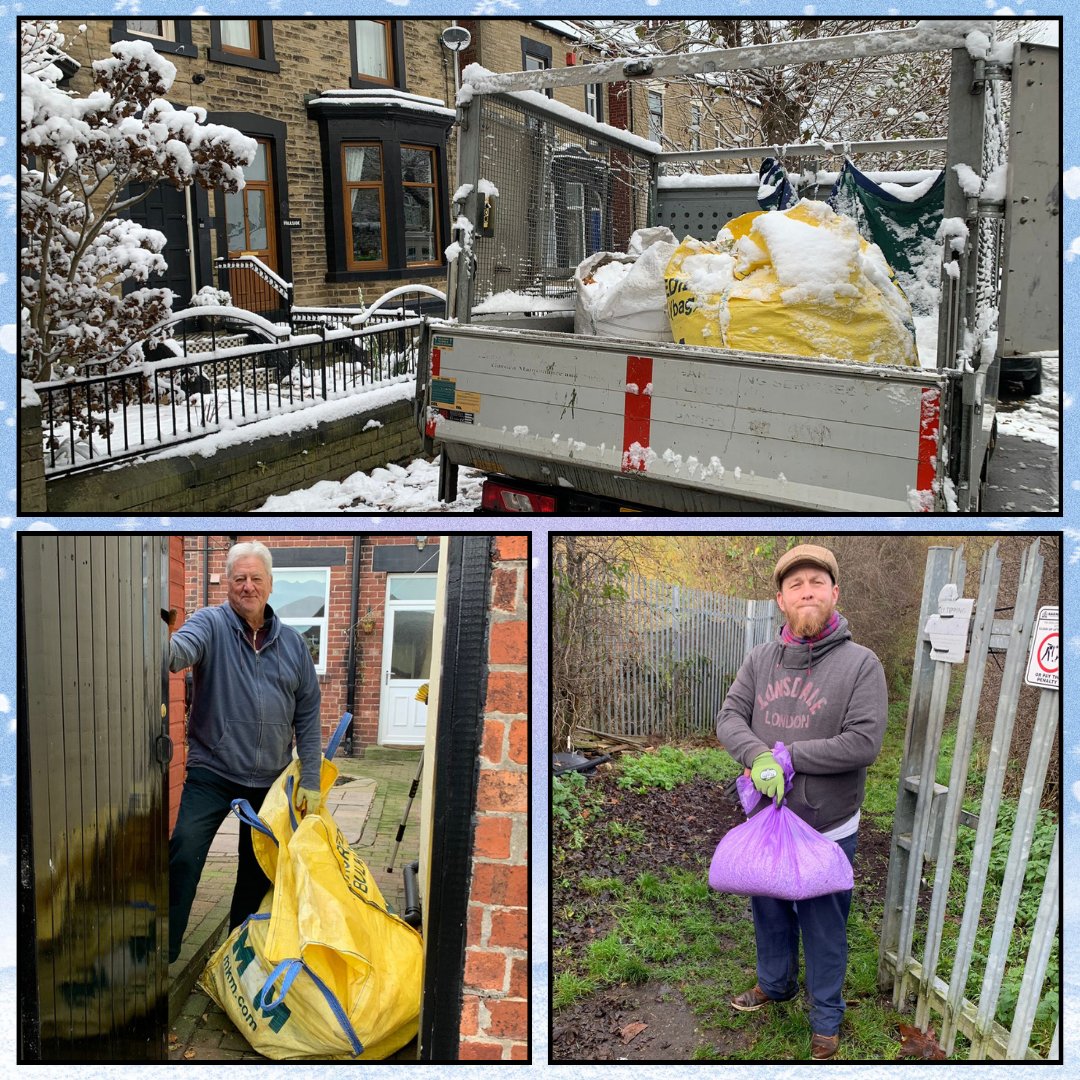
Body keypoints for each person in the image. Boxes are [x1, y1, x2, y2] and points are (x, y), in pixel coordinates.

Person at [715, 543, 887, 1061]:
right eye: (796, 585)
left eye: (817, 582)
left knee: (824, 927)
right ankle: (776, 984)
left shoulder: (861, 664)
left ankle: (826, 1019)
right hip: (766, 821)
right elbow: (730, 716)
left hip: (826, 826)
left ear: (834, 593)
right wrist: (756, 755)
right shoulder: (760, 659)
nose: (807, 591)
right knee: (767, 912)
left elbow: (864, 742)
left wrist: (791, 756)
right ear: (780, 600)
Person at [167, 540, 323, 964]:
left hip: (269, 781)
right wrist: (159, 637)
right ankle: (164, 949)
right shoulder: (211, 624)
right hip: (212, 772)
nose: (248, 586)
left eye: (256, 578)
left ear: (271, 585)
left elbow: (308, 714)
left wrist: (310, 779)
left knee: (254, 872)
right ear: (228, 585)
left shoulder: (293, 645)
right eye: (239, 579)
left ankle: (236, 954)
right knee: (183, 850)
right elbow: (179, 652)